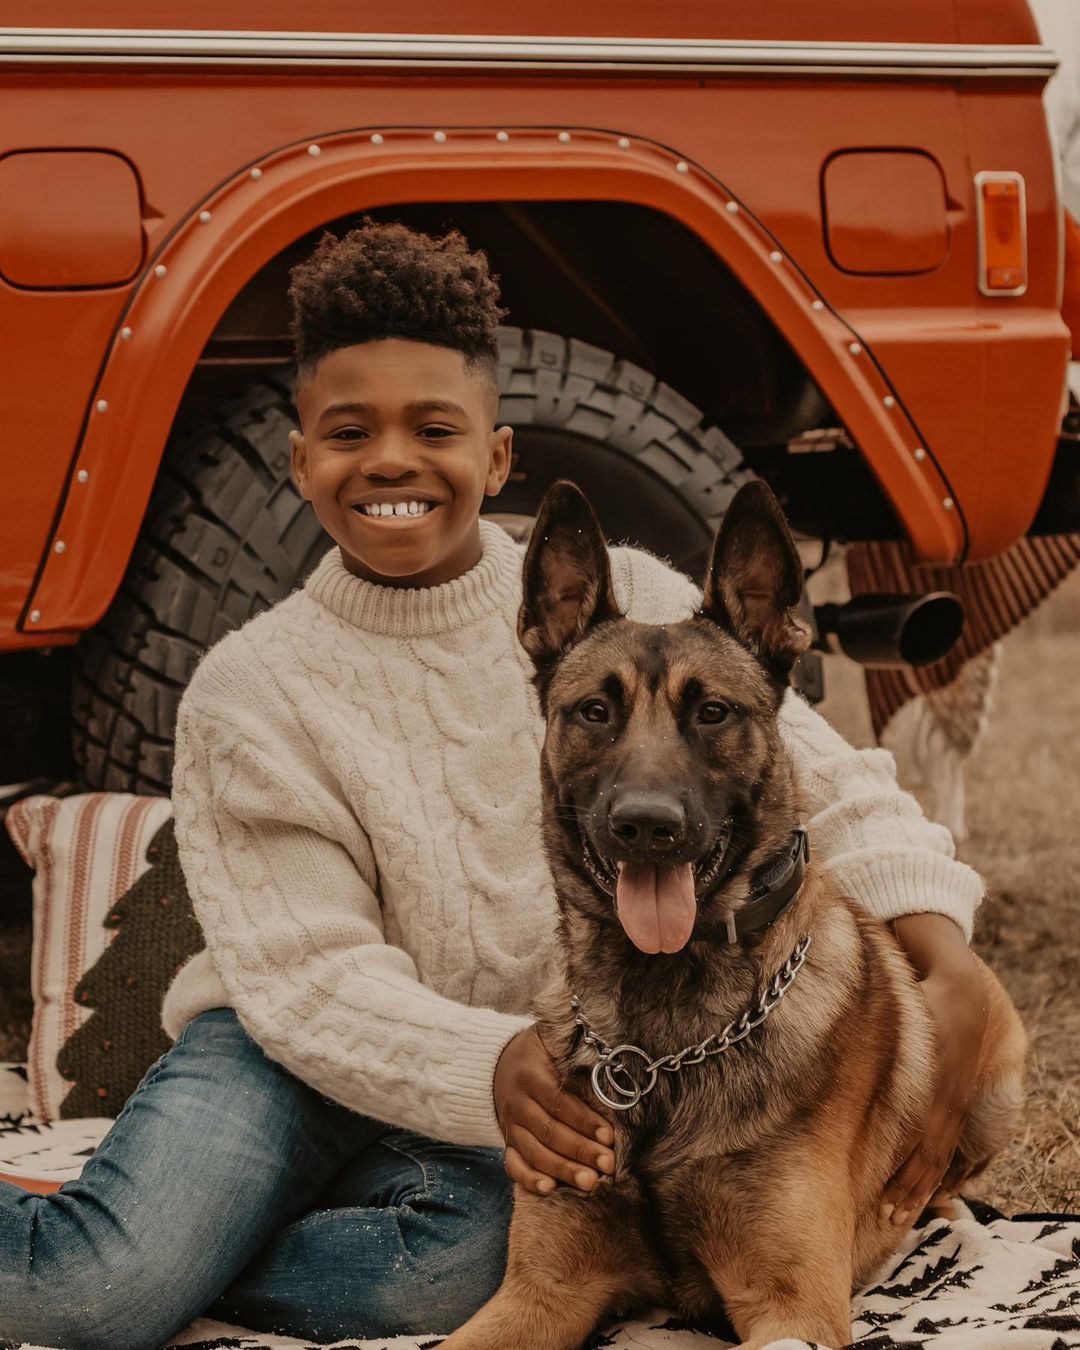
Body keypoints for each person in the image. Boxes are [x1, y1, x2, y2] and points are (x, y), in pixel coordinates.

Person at [0, 222, 990, 1350]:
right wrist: (493, 1064)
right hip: (284, 1055)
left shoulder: (625, 600)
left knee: (458, 1278)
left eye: (435, 428)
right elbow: (313, 982)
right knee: (101, 1289)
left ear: (498, 456)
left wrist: (940, 944)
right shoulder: (249, 690)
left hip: (521, 1068)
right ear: (298, 460)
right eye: (347, 431)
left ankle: (208, 1255)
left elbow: (816, 775)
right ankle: (161, 1251)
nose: (392, 462)